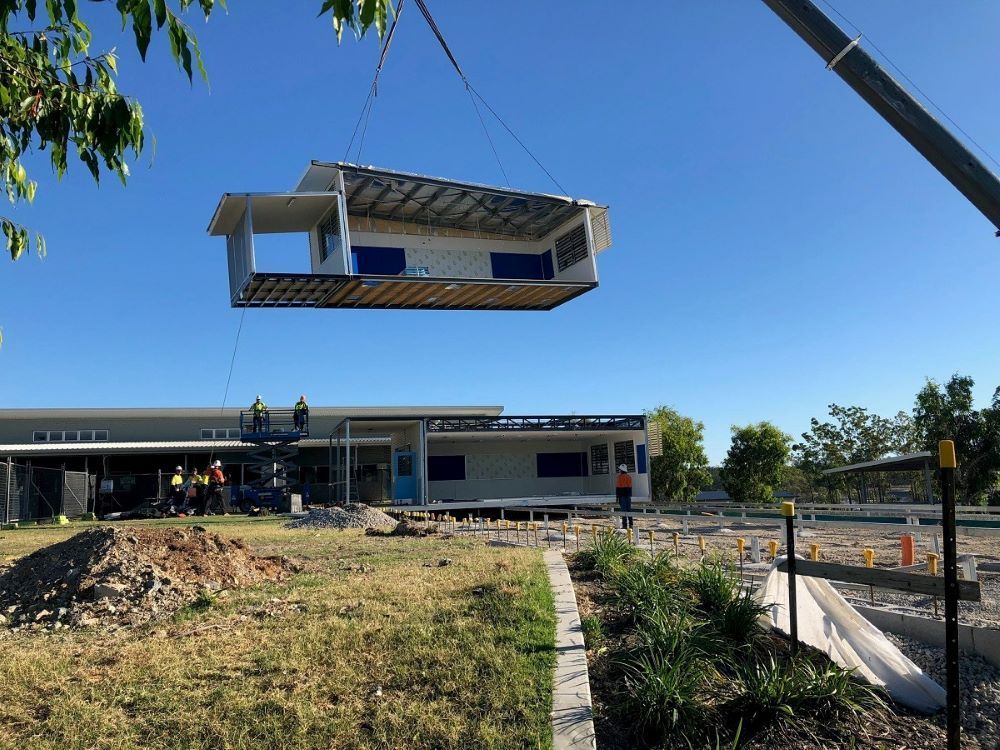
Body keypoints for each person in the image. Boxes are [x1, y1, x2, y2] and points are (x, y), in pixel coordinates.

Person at [616, 464, 633, 529]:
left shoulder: (619, 477)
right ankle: (631, 524)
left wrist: (617, 497)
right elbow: (630, 487)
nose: (619, 470)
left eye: (619, 469)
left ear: (621, 470)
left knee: (623, 510)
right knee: (629, 510)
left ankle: (624, 525)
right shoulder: (629, 477)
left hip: (621, 496)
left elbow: (618, 488)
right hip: (628, 496)